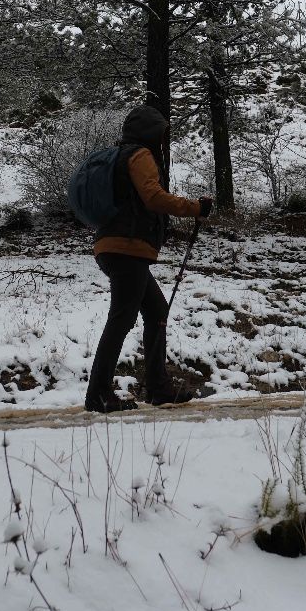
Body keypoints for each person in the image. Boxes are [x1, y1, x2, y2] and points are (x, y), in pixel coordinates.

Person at [86, 105, 212, 413]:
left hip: (114, 246)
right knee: (122, 319)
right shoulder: (139, 155)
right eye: (160, 133)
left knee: (156, 312)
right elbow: (153, 197)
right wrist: (194, 207)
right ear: (149, 133)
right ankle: (98, 394)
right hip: (127, 248)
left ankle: (158, 389)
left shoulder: (119, 156)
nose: (163, 139)